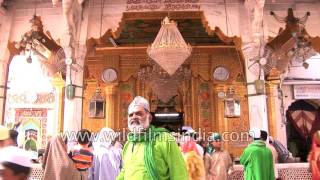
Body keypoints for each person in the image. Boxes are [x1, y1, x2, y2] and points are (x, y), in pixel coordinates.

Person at [116, 96, 188, 180]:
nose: (134, 117)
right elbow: (126, 170)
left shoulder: (165, 139)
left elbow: (179, 173)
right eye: (131, 115)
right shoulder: (129, 144)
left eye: (139, 113)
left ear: (149, 118)